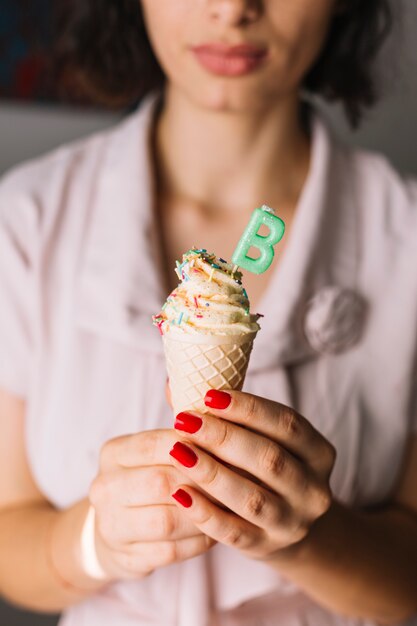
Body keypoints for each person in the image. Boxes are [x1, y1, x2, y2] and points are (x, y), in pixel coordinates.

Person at [1, 1, 417, 625]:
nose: (233, 9)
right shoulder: (27, 220)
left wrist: (310, 541)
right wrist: (96, 544)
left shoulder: (405, 236)